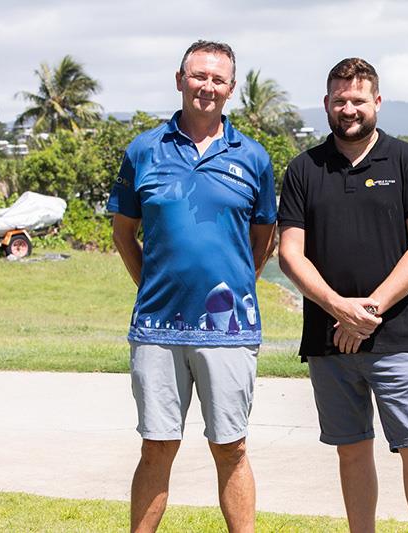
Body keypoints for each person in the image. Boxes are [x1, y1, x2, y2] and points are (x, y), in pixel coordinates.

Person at [108, 40, 277, 533]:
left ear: (231, 88)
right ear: (180, 79)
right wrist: (154, 287)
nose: (207, 86)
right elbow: (124, 234)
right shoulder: (142, 150)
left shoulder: (253, 157)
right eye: (198, 75)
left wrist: (240, 284)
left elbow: (262, 237)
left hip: (230, 329)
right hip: (157, 328)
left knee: (232, 447)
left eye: (218, 79)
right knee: (156, 446)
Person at [277, 58, 408, 533]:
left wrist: (367, 311)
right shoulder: (303, 168)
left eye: (358, 100)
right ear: (326, 103)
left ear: (377, 102)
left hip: (396, 336)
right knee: (351, 450)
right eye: (340, 100)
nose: (349, 109)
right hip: (329, 341)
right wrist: (340, 310)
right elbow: (290, 255)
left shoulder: (407, 160)